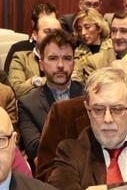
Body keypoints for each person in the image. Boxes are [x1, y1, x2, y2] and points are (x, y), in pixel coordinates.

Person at [14, 30, 83, 158]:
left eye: (67, 58)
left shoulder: (87, 96)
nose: (60, 65)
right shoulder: (28, 103)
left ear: (74, 63)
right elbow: (34, 148)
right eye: (53, 58)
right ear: (41, 65)